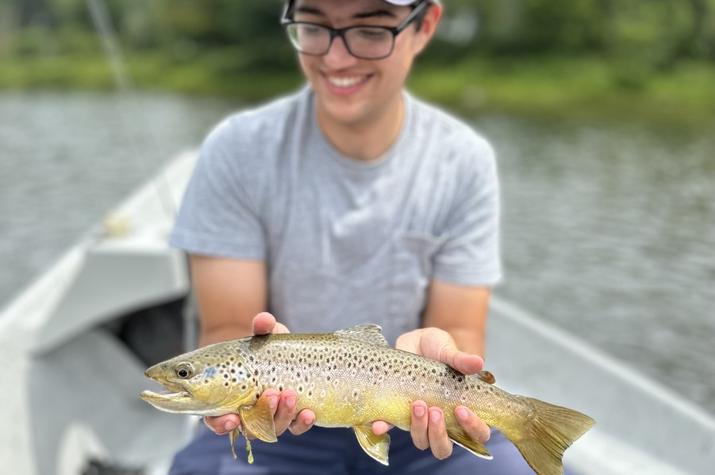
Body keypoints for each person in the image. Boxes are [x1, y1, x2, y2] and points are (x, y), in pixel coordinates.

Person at [167, 0, 533, 473]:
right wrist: (255, 384)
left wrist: (444, 352)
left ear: (424, 26)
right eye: (315, 26)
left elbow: (461, 331)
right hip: (274, 425)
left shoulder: (463, 161)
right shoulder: (236, 150)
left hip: (415, 421)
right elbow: (226, 332)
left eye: (371, 29)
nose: (336, 58)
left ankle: (530, 426)